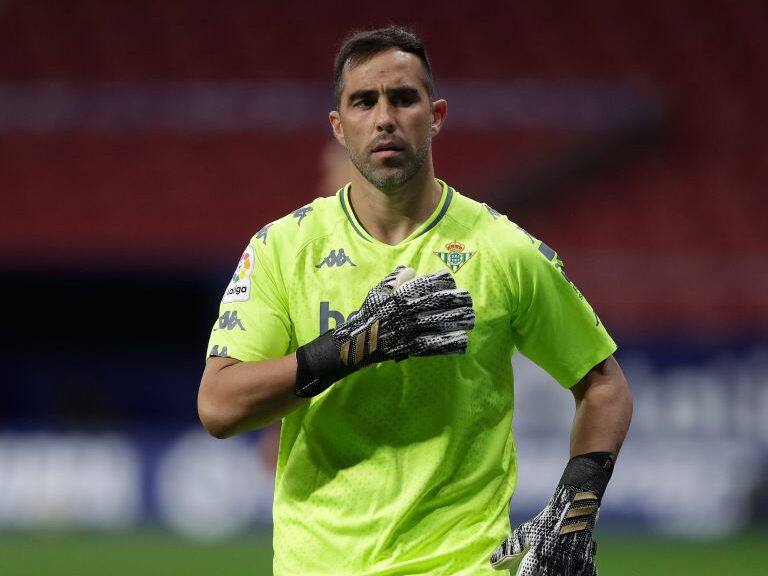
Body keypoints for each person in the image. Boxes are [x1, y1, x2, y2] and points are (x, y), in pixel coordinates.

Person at [198, 26, 632, 576]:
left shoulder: (502, 250)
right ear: (339, 126)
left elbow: (604, 385)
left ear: (436, 115)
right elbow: (219, 406)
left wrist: (577, 509)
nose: (384, 118)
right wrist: (353, 346)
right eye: (363, 101)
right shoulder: (284, 249)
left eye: (403, 98)